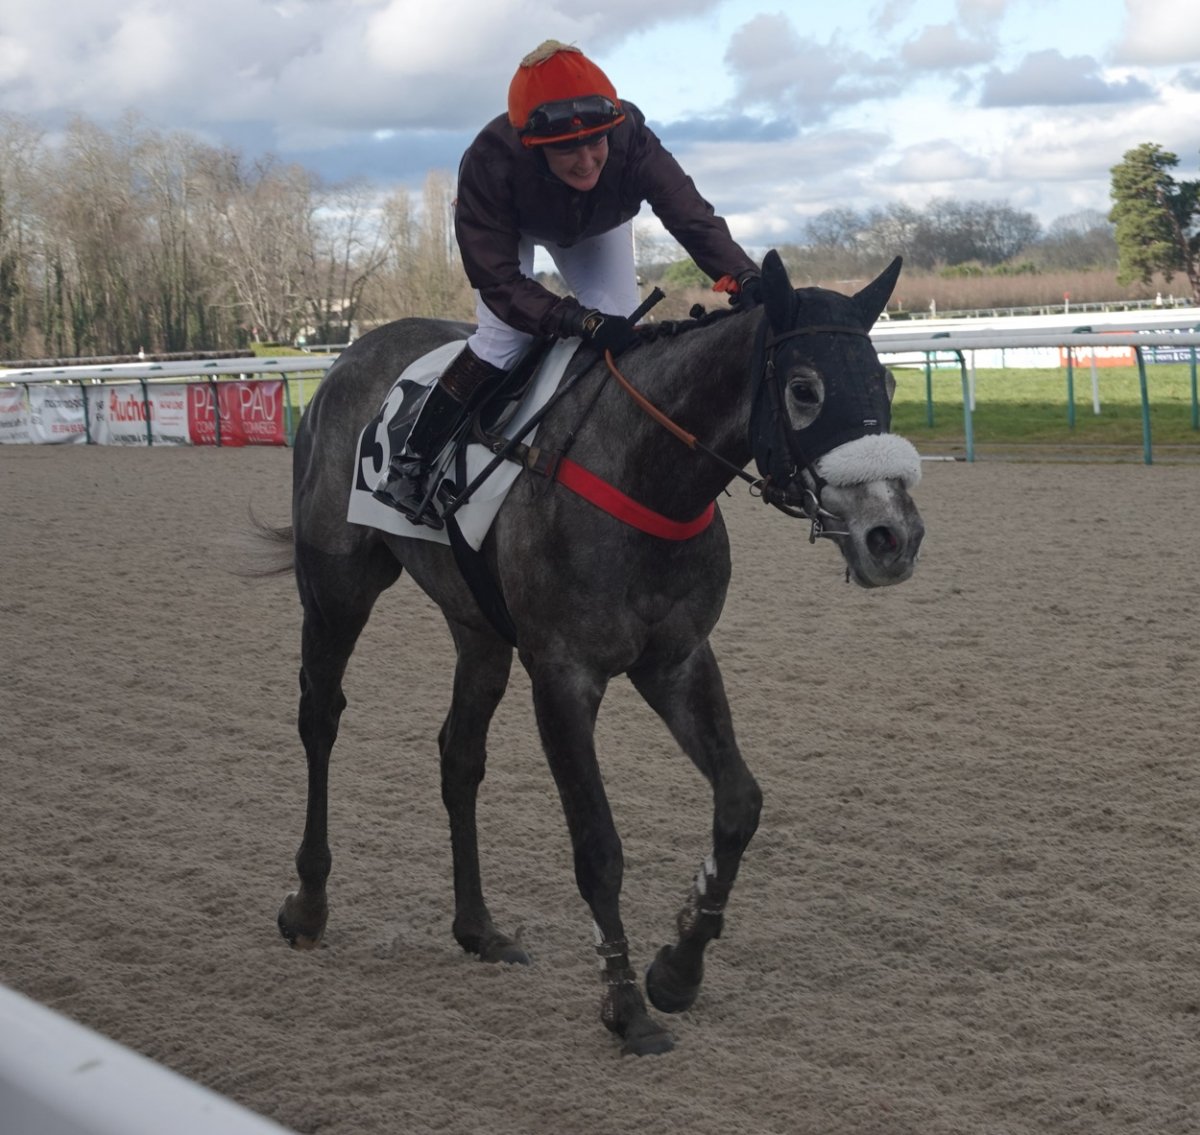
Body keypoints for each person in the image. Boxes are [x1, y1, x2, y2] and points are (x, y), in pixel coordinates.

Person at [373, 39, 763, 526]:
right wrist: (578, 319)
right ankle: (411, 462)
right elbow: (499, 282)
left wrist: (744, 276)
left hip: (596, 224)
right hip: (510, 225)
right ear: (532, 145)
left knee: (621, 331)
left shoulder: (632, 135)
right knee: (504, 340)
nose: (585, 160)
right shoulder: (489, 161)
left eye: (596, 142)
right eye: (566, 148)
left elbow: (691, 218)